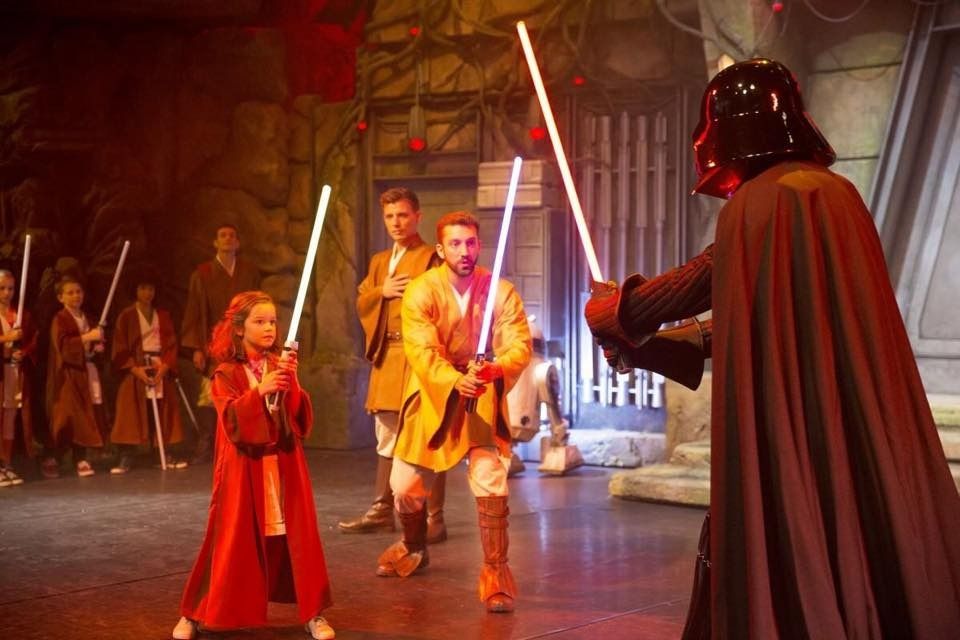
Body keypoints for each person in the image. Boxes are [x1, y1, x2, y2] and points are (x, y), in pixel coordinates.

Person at [585, 58, 960, 639]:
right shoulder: (839, 195)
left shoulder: (760, 204)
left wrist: (615, 311)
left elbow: (705, 281)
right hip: (858, 417)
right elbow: (758, 317)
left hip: (797, 422)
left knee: (789, 536)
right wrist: (647, 346)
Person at [376, 211, 531, 614]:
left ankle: (496, 571)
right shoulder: (422, 290)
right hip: (434, 390)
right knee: (405, 487)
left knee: (490, 478)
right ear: (441, 249)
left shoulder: (499, 290)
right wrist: (451, 380)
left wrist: (495, 368)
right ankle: (413, 545)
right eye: (456, 244)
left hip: (481, 388)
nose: (465, 251)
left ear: (479, 245)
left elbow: (518, 343)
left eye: (471, 243)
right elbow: (421, 349)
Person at [174, 291, 334, 640]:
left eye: (272, 321)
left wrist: (291, 384)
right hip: (245, 468)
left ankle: (313, 613)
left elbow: (297, 419)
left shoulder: (280, 364)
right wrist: (260, 391)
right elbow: (232, 419)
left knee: (298, 539)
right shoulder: (226, 373)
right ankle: (193, 613)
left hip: (284, 466)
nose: (268, 328)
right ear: (239, 328)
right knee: (229, 541)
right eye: (259, 321)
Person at [339, 187, 448, 541]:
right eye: (389, 216)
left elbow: (442, 304)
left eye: (402, 215)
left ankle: (434, 517)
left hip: (419, 356)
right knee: (386, 434)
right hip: (388, 355)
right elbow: (363, 299)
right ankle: (381, 509)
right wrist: (381, 292)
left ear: (417, 216)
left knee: (428, 433)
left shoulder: (432, 258)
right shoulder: (379, 261)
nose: (396, 222)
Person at [181, 224, 260, 464]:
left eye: (232, 236)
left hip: (242, 340)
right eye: (222, 236)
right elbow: (195, 310)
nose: (227, 239)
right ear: (215, 243)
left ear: (238, 243)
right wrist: (197, 347)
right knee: (210, 392)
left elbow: (257, 306)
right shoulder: (202, 274)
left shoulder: (248, 272)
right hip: (214, 341)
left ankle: (243, 440)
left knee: (244, 389)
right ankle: (207, 442)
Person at [109, 269, 187, 474]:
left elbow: (171, 345)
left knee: (161, 410)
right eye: (143, 288)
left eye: (151, 289)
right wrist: (136, 370)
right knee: (130, 411)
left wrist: (164, 367)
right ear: (135, 290)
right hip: (137, 367)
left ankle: (161, 452)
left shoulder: (163, 315)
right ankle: (126, 456)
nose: (147, 293)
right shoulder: (126, 316)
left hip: (159, 365)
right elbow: (120, 347)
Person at [46, 276, 108, 477]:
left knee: (87, 412)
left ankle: (81, 457)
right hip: (69, 374)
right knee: (68, 416)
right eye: (70, 293)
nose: (75, 296)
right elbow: (63, 347)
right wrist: (87, 337)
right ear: (60, 297)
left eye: (78, 292)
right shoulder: (60, 319)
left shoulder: (88, 318)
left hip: (87, 370)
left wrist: (97, 346)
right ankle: (54, 456)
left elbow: (95, 346)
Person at [0, 269, 37, 486]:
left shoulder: (20, 314)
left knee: (10, 419)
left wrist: (24, 351)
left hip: (14, 373)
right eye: (2, 288)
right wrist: (6, 338)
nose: (7, 293)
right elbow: (7, 339)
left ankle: (6, 462)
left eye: (11, 289)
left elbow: (32, 340)